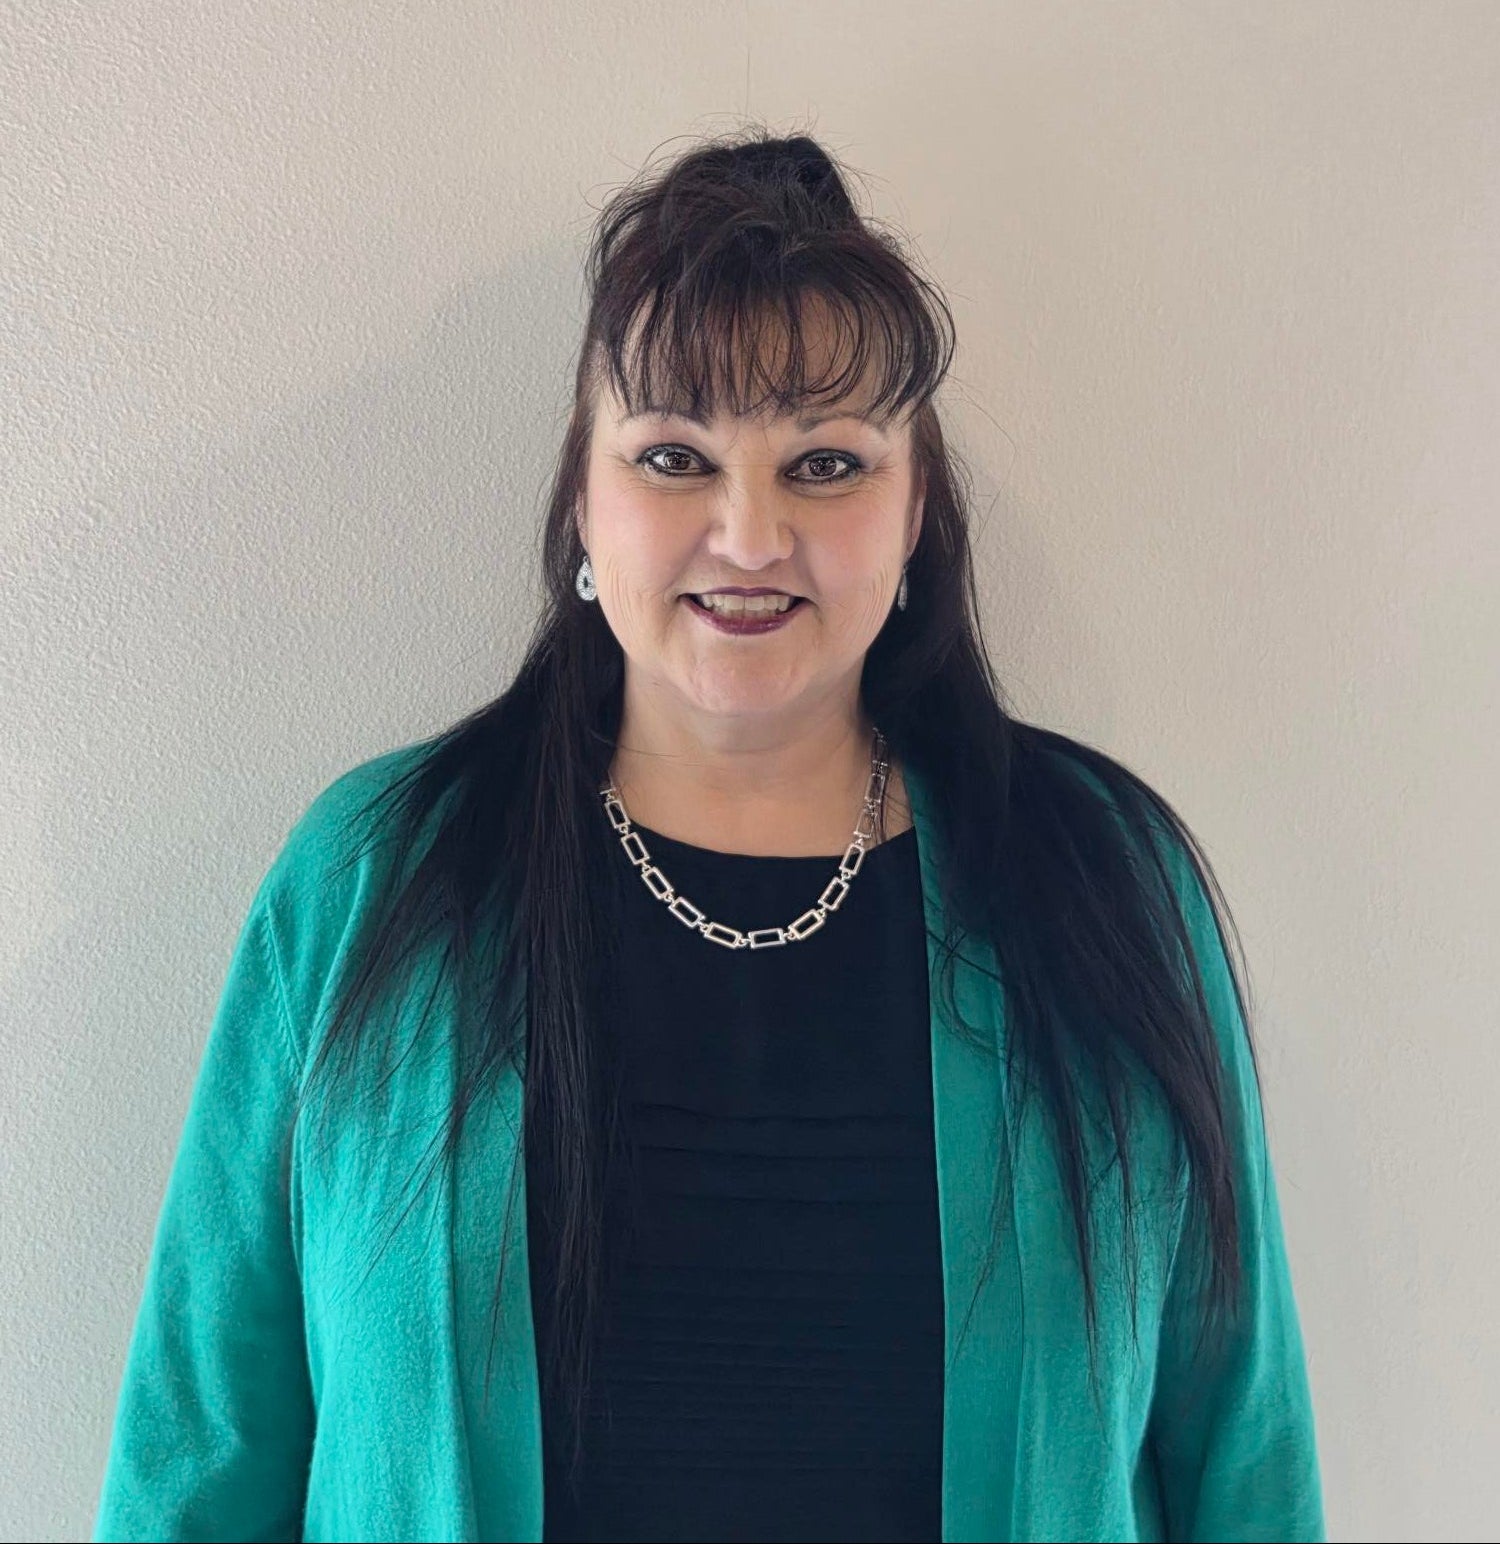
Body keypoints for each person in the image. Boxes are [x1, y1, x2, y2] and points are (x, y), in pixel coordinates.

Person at [91, 127, 1325, 1543]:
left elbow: (1247, 1452)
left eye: (825, 465)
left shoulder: (1107, 882)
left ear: (916, 512)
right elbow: (204, 1445)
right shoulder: (371, 883)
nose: (747, 536)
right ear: (585, 499)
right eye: (676, 456)